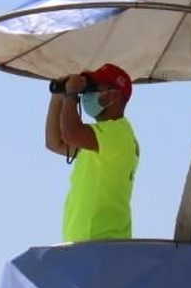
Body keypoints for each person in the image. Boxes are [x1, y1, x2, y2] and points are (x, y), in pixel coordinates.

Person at [44, 63, 139, 242]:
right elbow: (55, 142)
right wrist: (59, 96)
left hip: (101, 242)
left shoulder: (116, 133)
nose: (87, 95)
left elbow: (70, 133)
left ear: (115, 95)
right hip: (94, 243)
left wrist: (71, 95)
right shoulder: (102, 139)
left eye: (93, 89)